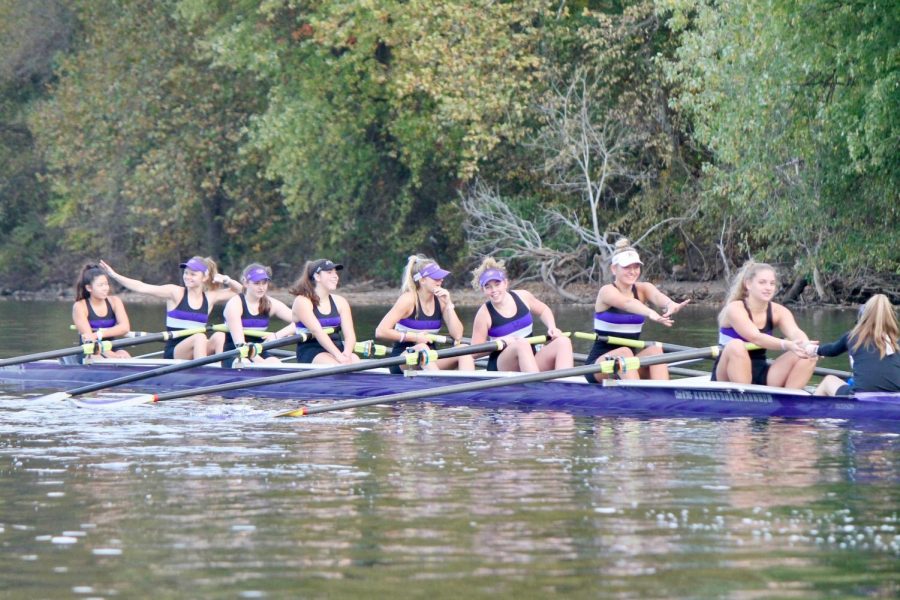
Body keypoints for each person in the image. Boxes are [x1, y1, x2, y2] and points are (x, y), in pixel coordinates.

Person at [585, 240, 690, 382]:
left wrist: (670, 304)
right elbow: (627, 303)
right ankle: (638, 394)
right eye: (627, 267)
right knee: (625, 352)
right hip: (599, 366)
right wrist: (650, 312)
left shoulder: (643, 289)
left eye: (636, 267)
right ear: (614, 269)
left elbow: (658, 296)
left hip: (628, 365)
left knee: (655, 350)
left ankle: (664, 395)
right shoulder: (607, 291)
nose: (633, 272)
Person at [100, 257, 242, 359]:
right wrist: (114, 275)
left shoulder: (211, 297)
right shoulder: (175, 292)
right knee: (199, 337)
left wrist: (226, 280)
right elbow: (142, 287)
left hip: (196, 349)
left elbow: (240, 291)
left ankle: (220, 373)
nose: (187, 277)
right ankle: (204, 373)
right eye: (186, 273)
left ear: (204, 277)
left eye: (193, 274)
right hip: (174, 351)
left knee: (219, 335)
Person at [711, 261, 815, 388]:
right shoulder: (735, 308)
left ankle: (790, 402)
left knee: (808, 356)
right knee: (736, 345)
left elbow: (794, 332)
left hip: (761, 371)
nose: (768, 288)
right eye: (762, 282)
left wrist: (807, 345)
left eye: (772, 283)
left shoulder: (779, 311)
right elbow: (755, 337)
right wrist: (786, 344)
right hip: (728, 373)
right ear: (748, 284)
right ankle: (746, 398)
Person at [469, 258, 573, 372]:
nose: (493, 290)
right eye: (488, 286)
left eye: (497, 284)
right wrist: (502, 341)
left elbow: (543, 310)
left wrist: (552, 327)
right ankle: (535, 385)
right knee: (522, 344)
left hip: (531, 360)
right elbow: (474, 352)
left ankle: (565, 386)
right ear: (483, 289)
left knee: (563, 341)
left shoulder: (523, 296)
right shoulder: (483, 314)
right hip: (502, 367)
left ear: (505, 283)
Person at [375, 255, 475, 374]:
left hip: (430, 359)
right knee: (421, 348)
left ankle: (469, 389)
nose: (441, 280)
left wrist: (449, 304)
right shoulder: (408, 300)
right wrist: (416, 338)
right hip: (404, 360)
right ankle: (439, 386)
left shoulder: (441, 300)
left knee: (464, 349)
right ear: (422, 280)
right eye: (435, 278)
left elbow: (458, 335)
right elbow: (380, 331)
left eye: (441, 277)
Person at [806, 294, 900, 396]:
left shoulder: (853, 336)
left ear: (863, 317)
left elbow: (831, 350)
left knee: (828, 380)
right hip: (896, 401)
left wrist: (814, 349)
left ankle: (811, 409)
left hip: (861, 398)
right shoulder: (897, 342)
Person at [221, 263, 296, 368]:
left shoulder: (270, 304)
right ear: (245, 283)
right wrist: (262, 363)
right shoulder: (235, 304)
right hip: (235, 352)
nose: (261, 288)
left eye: (264, 283)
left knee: (276, 363)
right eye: (257, 283)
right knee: (247, 365)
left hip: (259, 350)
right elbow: (240, 344)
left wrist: (277, 335)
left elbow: (301, 321)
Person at [289, 259, 360, 365]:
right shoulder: (302, 301)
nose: (336, 276)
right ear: (317, 277)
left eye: (335, 272)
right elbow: (318, 332)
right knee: (335, 366)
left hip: (337, 348)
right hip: (312, 351)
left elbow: (350, 335)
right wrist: (339, 356)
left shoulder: (341, 302)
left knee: (356, 361)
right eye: (329, 272)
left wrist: (347, 354)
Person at [72, 263, 132, 359]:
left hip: (112, 345)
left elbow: (125, 327)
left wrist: (98, 334)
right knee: (98, 357)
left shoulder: (115, 301)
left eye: (106, 284)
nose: (105, 288)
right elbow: (89, 338)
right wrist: (112, 356)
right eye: (100, 285)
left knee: (125, 355)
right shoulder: (80, 306)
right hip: (90, 348)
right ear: (89, 288)